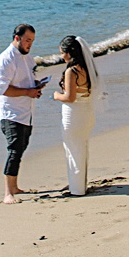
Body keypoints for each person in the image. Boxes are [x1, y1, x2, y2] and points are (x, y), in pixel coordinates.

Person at [0, 24, 49, 204]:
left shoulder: (28, 58)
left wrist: (36, 86)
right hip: (10, 112)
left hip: (27, 111)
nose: (30, 44)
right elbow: (2, 89)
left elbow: (28, 80)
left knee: (22, 147)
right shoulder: (5, 59)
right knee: (15, 149)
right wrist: (27, 92)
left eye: (32, 41)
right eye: (27, 40)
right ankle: (8, 193)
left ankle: (15, 186)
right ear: (17, 38)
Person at [53, 35, 101, 197]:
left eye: (62, 53)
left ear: (69, 53)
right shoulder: (88, 68)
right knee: (81, 148)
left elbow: (70, 97)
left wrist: (56, 95)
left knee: (73, 150)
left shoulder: (71, 71)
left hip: (74, 116)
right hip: (87, 113)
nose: (61, 56)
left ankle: (77, 189)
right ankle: (80, 184)